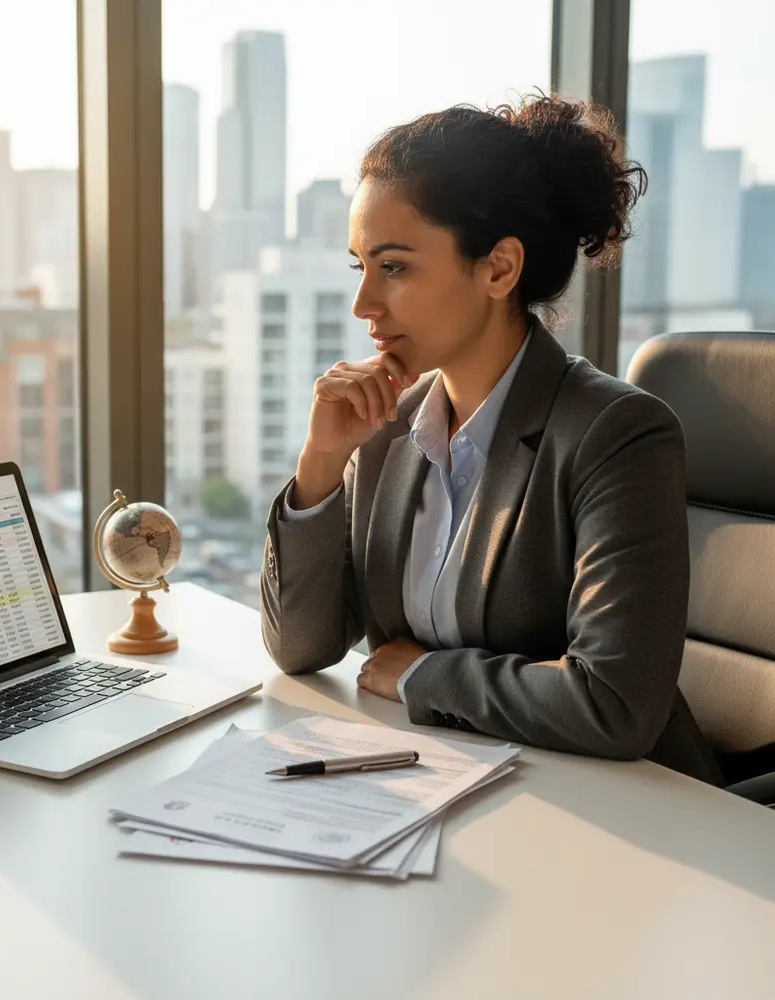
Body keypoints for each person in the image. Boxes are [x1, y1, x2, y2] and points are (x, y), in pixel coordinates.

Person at [260, 94, 722, 784]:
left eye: (395, 267)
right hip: (445, 789)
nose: (363, 306)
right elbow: (300, 647)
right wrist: (323, 461)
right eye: (361, 266)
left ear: (499, 269)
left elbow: (613, 704)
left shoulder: (617, 434)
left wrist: (425, 675)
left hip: (623, 818)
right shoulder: (386, 430)